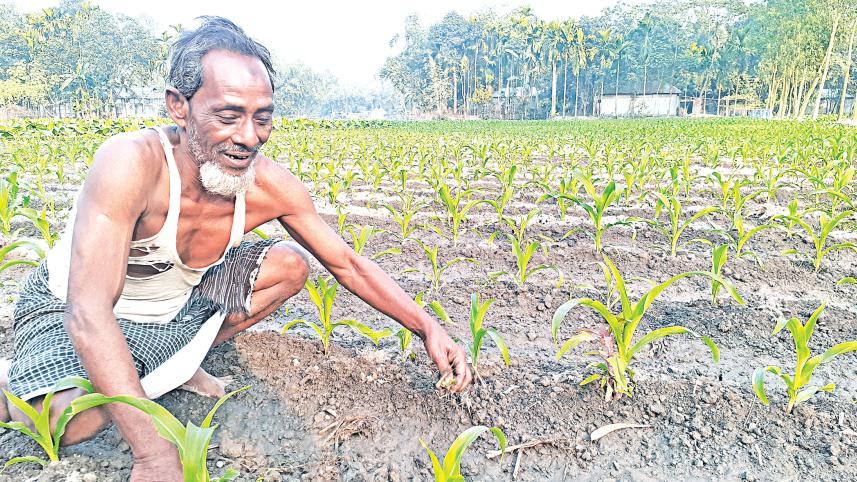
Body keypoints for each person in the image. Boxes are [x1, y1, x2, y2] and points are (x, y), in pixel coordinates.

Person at [0, 16, 471, 481]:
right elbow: (88, 310)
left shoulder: (268, 184)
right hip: (73, 307)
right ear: (179, 106)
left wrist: (426, 325)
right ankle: (14, 381)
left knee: (289, 267)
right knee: (70, 421)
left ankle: (167, 365)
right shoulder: (133, 163)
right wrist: (154, 452)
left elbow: (347, 263)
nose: (248, 137)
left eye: (262, 117)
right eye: (228, 116)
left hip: (169, 308)